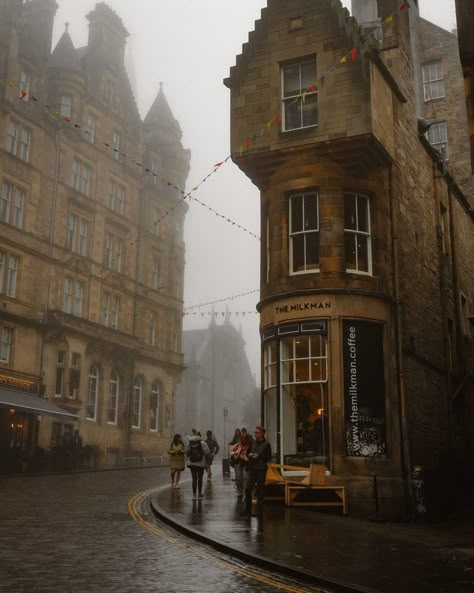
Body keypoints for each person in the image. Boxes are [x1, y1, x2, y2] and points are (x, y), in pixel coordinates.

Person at [242, 426, 272, 517]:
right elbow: (247, 453)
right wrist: (249, 455)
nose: (255, 434)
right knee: (248, 489)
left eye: (257, 432)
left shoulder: (267, 444)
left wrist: (259, 456)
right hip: (252, 468)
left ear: (262, 433)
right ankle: (247, 510)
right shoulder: (253, 442)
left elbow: (268, 456)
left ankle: (259, 511)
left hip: (261, 469)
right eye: (255, 432)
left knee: (260, 490)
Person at [186, 433, 210, 501]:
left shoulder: (190, 443)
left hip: (192, 464)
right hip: (201, 464)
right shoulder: (203, 443)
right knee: (200, 479)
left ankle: (194, 495)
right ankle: (199, 494)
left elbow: (187, 453)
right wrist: (207, 463)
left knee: (194, 479)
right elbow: (207, 453)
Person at [229, 430, 251, 495]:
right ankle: (239, 489)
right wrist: (234, 454)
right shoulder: (238, 444)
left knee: (244, 477)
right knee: (238, 478)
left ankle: (245, 490)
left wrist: (246, 458)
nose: (243, 440)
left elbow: (251, 454)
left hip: (245, 463)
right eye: (242, 438)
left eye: (245, 438)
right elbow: (231, 450)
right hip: (238, 463)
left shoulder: (250, 445)